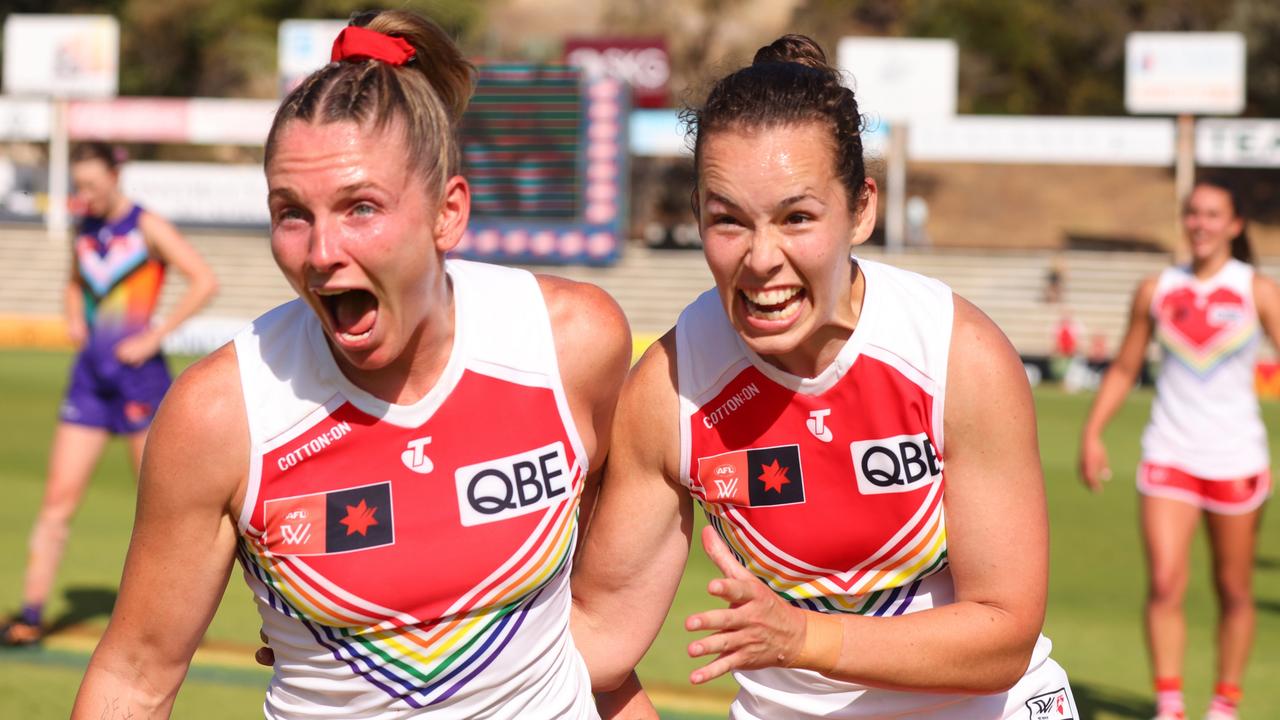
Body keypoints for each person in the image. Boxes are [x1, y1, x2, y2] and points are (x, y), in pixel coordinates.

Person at [71, 10, 646, 718]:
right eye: (291, 213)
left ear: (449, 212)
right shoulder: (220, 414)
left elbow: (597, 623)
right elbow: (134, 678)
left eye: (361, 208)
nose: (320, 252)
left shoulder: (571, 343)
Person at [570, 35, 1077, 719]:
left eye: (797, 217)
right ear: (695, 216)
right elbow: (597, 643)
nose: (761, 258)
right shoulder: (669, 389)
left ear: (861, 209)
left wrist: (803, 637)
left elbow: (1002, 635)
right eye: (728, 221)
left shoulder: (957, 355)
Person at [1, 141, 218, 646]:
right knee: (57, 501)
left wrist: (154, 335)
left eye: (93, 187)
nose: (86, 196)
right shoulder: (85, 228)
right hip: (89, 382)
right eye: (79, 187)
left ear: (116, 178)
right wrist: (74, 313)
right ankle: (30, 615)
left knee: (163, 508)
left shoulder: (147, 226)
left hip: (141, 384)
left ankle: (174, 621)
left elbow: (204, 280)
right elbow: (75, 281)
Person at [1079, 178, 1278, 720]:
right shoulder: (1156, 288)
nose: (1200, 224)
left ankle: (1225, 702)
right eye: (1193, 213)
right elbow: (1124, 367)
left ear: (1234, 226)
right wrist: (1093, 432)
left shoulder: (1257, 290)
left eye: (1213, 215)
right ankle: (1171, 704)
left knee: (1233, 588)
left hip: (1237, 457)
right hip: (1168, 453)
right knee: (1166, 582)